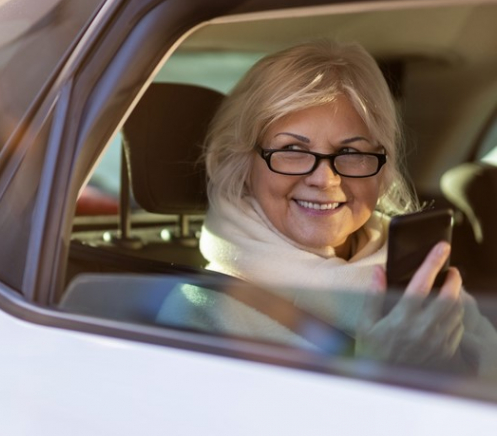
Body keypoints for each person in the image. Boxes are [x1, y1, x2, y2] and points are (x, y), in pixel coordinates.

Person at [158, 39, 497, 375]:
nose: (325, 178)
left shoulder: (417, 279)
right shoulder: (199, 313)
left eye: (351, 153)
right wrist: (381, 370)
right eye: (292, 148)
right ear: (243, 163)